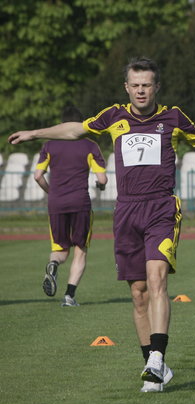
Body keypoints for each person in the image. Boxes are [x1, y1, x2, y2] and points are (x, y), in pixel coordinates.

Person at [8, 57, 195, 393]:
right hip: (126, 212)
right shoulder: (113, 116)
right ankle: (154, 367)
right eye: (135, 85)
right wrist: (34, 133)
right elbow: (75, 129)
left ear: (157, 87)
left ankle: (157, 356)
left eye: (147, 85)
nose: (141, 90)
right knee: (138, 295)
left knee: (156, 279)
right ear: (127, 87)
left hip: (161, 209)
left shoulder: (173, 118)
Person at [33, 105, 108, 307]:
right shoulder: (90, 145)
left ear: (61, 123)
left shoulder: (49, 145)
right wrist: (100, 186)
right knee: (80, 249)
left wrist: (52, 192)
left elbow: (37, 176)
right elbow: (102, 178)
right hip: (80, 202)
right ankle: (69, 296)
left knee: (60, 249)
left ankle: (53, 265)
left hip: (56, 203)